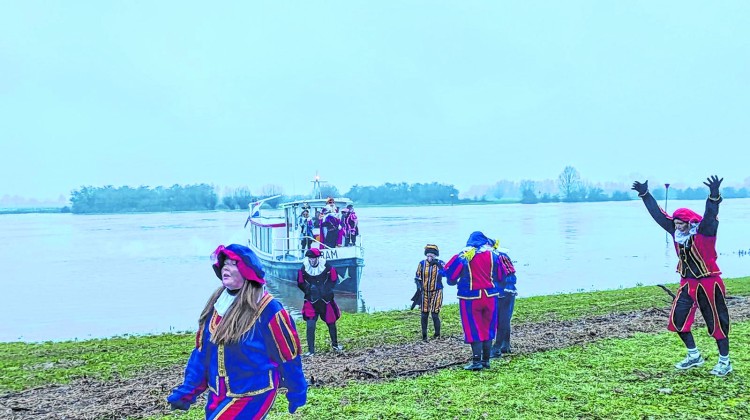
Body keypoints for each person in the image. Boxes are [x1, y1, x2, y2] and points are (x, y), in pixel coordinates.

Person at [167, 244, 307, 417]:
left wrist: (297, 391)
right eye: (224, 263)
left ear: (248, 271)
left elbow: (288, 356)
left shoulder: (268, 308)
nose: (226, 266)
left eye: (233, 263)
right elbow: (202, 354)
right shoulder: (217, 304)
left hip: (254, 393)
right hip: (218, 395)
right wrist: (187, 392)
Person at [632, 175, 732, 376]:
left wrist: (713, 195)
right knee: (678, 321)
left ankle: (724, 361)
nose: (677, 227)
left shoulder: (704, 230)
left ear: (689, 223)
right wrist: (645, 194)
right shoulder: (675, 231)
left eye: (680, 224)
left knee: (716, 322)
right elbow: (658, 215)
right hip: (687, 283)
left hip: (709, 282)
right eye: (675, 224)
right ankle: (694, 356)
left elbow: (711, 213)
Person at [442, 231, 503, 370]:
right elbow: (501, 275)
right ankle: (486, 361)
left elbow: (451, 279)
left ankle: (476, 362)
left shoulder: (464, 256)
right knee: (488, 327)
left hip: (470, 297)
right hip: (490, 296)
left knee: (473, 328)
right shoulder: (494, 255)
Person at [297, 248, 343, 355]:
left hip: (326, 299)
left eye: (313, 258)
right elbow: (300, 282)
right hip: (311, 301)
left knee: (331, 323)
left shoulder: (327, 266)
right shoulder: (303, 268)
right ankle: (311, 351)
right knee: (310, 325)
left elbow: (334, 278)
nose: (311, 261)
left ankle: (335, 345)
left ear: (317, 258)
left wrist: (326, 289)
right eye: (310, 258)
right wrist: (308, 289)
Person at [490, 244, 518, 358]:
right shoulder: (494, 257)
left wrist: (508, 288)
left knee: (503, 319)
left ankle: (499, 346)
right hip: (499, 292)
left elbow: (511, 274)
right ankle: (505, 345)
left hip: (506, 293)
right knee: (503, 319)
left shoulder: (501, 257)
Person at [414, 244, 445, 340]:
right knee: (424, 313)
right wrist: (419, 287)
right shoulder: (422, 264)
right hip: (424, 292)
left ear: (435, 255)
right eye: (428, 255)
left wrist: (438, 265)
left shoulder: (441, 263)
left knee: (435, 313)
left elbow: (446, 274)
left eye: (432, 255)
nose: (429, 257)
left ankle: (437, 334)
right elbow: (417, 276)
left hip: (437, 291)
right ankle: (424, 335)